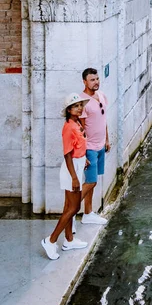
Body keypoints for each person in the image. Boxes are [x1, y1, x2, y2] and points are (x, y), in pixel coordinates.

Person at [41, 93, 90, 260]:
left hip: (78, 165)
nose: (79, 108)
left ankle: (69, 240)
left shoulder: (76, 123)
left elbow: (78, 148)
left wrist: (85, 159)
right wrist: (75, 177)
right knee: (73, 208)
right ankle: (51, 240)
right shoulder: (69, 127)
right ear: (69, 110)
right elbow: (67, 154)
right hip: (71, 170)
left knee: (69, 207)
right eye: (75, 106)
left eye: (80, 105)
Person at [79, 68, 110, 225]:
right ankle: (70, 209)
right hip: (89, 148)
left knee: (93, 180)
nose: (96, 82)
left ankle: (88, 213)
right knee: (91, 181)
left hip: (100, 146)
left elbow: (103, 119)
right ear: (84, 82)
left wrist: (107, 139)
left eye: (97, 79)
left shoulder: (101, 95)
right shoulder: (82, 102)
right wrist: (83, 153)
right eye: (92, 80)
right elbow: (81, 129)